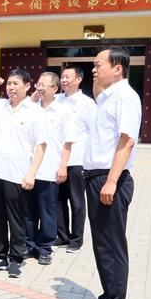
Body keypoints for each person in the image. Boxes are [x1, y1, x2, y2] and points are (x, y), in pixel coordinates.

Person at [81, 47, 141, 299]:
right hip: (97, 178)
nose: (94, 70)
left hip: (109, 180)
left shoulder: (125, 97)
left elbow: (126, 141)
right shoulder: (108, 97)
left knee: (112, 245)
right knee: (102, 244)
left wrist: (112, 181)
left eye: (98, 65)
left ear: (118, 69)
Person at [0, 71, 46, 278]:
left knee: (16, 219)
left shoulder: (35, 112)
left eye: (16, 83)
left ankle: (16, 258)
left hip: (18, 174)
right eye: (9, 84)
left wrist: (32, 174)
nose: (11, 87)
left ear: (27, 86)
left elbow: (41, 145)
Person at [25, 72, 70, 265]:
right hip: (28, 170)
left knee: (47, 212)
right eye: (38, 84)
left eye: (44, 85)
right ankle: (29, 244)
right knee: (28, 212)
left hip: (49, 169)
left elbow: (68, 142)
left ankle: (44, 248)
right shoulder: (30, 108)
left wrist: (63, 166)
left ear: (55, 88)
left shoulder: (62, 111)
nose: (40, 88)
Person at [56, 66, 95, 253]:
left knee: (77, 201)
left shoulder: (87, 103)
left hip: (77, 160)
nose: (63, 80)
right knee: (58, 200)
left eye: (67, 77)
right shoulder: (57, 100)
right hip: (57, 159)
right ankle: (62, 235)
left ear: (78, 79)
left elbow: (94, 132)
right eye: (62, 76)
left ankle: (76, 239)